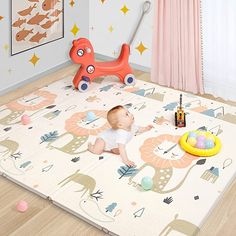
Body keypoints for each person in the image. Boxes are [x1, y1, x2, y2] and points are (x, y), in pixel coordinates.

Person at [88, 105, 153, 166]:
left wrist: (146, 129)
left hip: (113, 143)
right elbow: (122, 148)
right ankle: (91, 147)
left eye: (128, 112)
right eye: (126, 115)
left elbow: (138, 129)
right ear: (120, 125)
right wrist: (126, 160)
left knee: (117, 152)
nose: (130, 114)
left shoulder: (131, 126)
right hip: (103, 140)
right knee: (97, 152)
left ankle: (110, 149)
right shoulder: (121, 134)